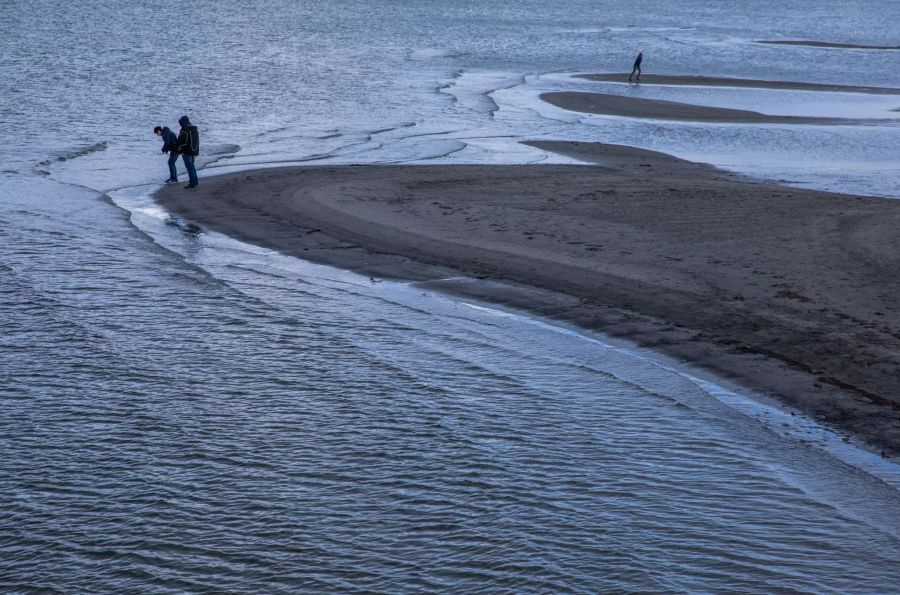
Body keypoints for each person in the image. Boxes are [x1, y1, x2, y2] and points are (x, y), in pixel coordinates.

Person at [174, 115, 200, 189]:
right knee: (192, 167)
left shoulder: (184, 130)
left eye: (180, 123)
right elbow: (197, 141)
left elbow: (182, 142)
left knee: (189, 168)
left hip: (187, 152)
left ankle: (192, 183)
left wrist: (177, 144)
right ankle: (195, 182)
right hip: (194, 151)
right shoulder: (194, 129)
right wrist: (197, 151)